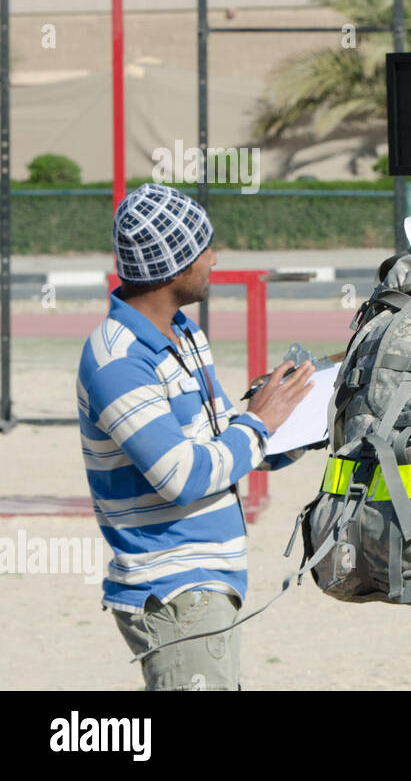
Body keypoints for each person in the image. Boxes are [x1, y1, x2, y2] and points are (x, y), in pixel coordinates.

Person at [77, 183, 316, 690]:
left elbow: (223, 445)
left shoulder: (183, 333)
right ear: (175, 265)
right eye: (203, 248)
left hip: (204, 585)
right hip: (174, 588)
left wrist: (301, 421)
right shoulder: (118, 359)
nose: (213, 257)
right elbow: (182, 476)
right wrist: (258, 422)